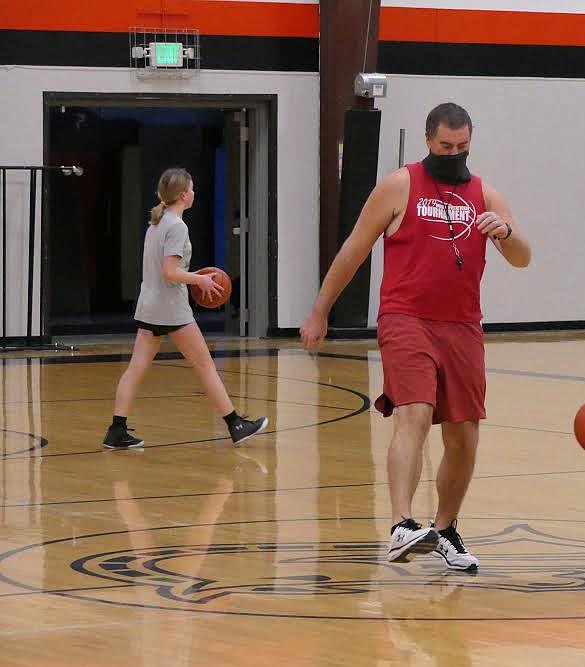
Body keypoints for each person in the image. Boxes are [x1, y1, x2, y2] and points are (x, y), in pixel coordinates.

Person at [300, 103, 531, 571]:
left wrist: (505, 232)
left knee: (465, 435)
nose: (454, 154)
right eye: (446, 146)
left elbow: (523, 257)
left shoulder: (486, 195)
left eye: (463, 147)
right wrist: (319, 311)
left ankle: (445, 529)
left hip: (463, 325)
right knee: (415, 413)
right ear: (429, 141)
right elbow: (353, 250)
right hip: (406, 318)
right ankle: (402, 524)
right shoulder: (399, 185)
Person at [102, 168, 268, 449]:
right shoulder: (177, 226)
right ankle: (235, 424)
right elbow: (170, 272)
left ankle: (116, 430)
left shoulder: (156, 222)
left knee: (136, 368)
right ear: (182, 195)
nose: (194, 193)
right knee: (204, 365)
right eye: (191, 189)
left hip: (149, 306)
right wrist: (200, 279)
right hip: (170, 308)